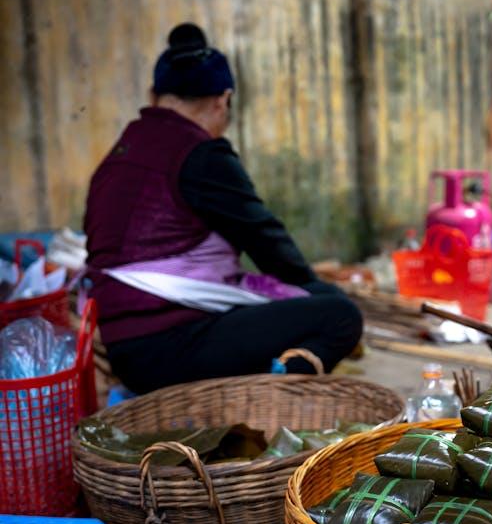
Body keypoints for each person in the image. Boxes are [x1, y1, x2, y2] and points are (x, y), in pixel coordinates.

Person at [83, 23, 363, 394]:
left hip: (126, 350)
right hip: (170, 347)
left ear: (153, 95)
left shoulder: (118, 156)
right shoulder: (198, 153)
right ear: (222, 100)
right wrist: (316, 292)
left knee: (304, 302)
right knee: (340, 316)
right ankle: (272, 398)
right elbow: (266, 240)